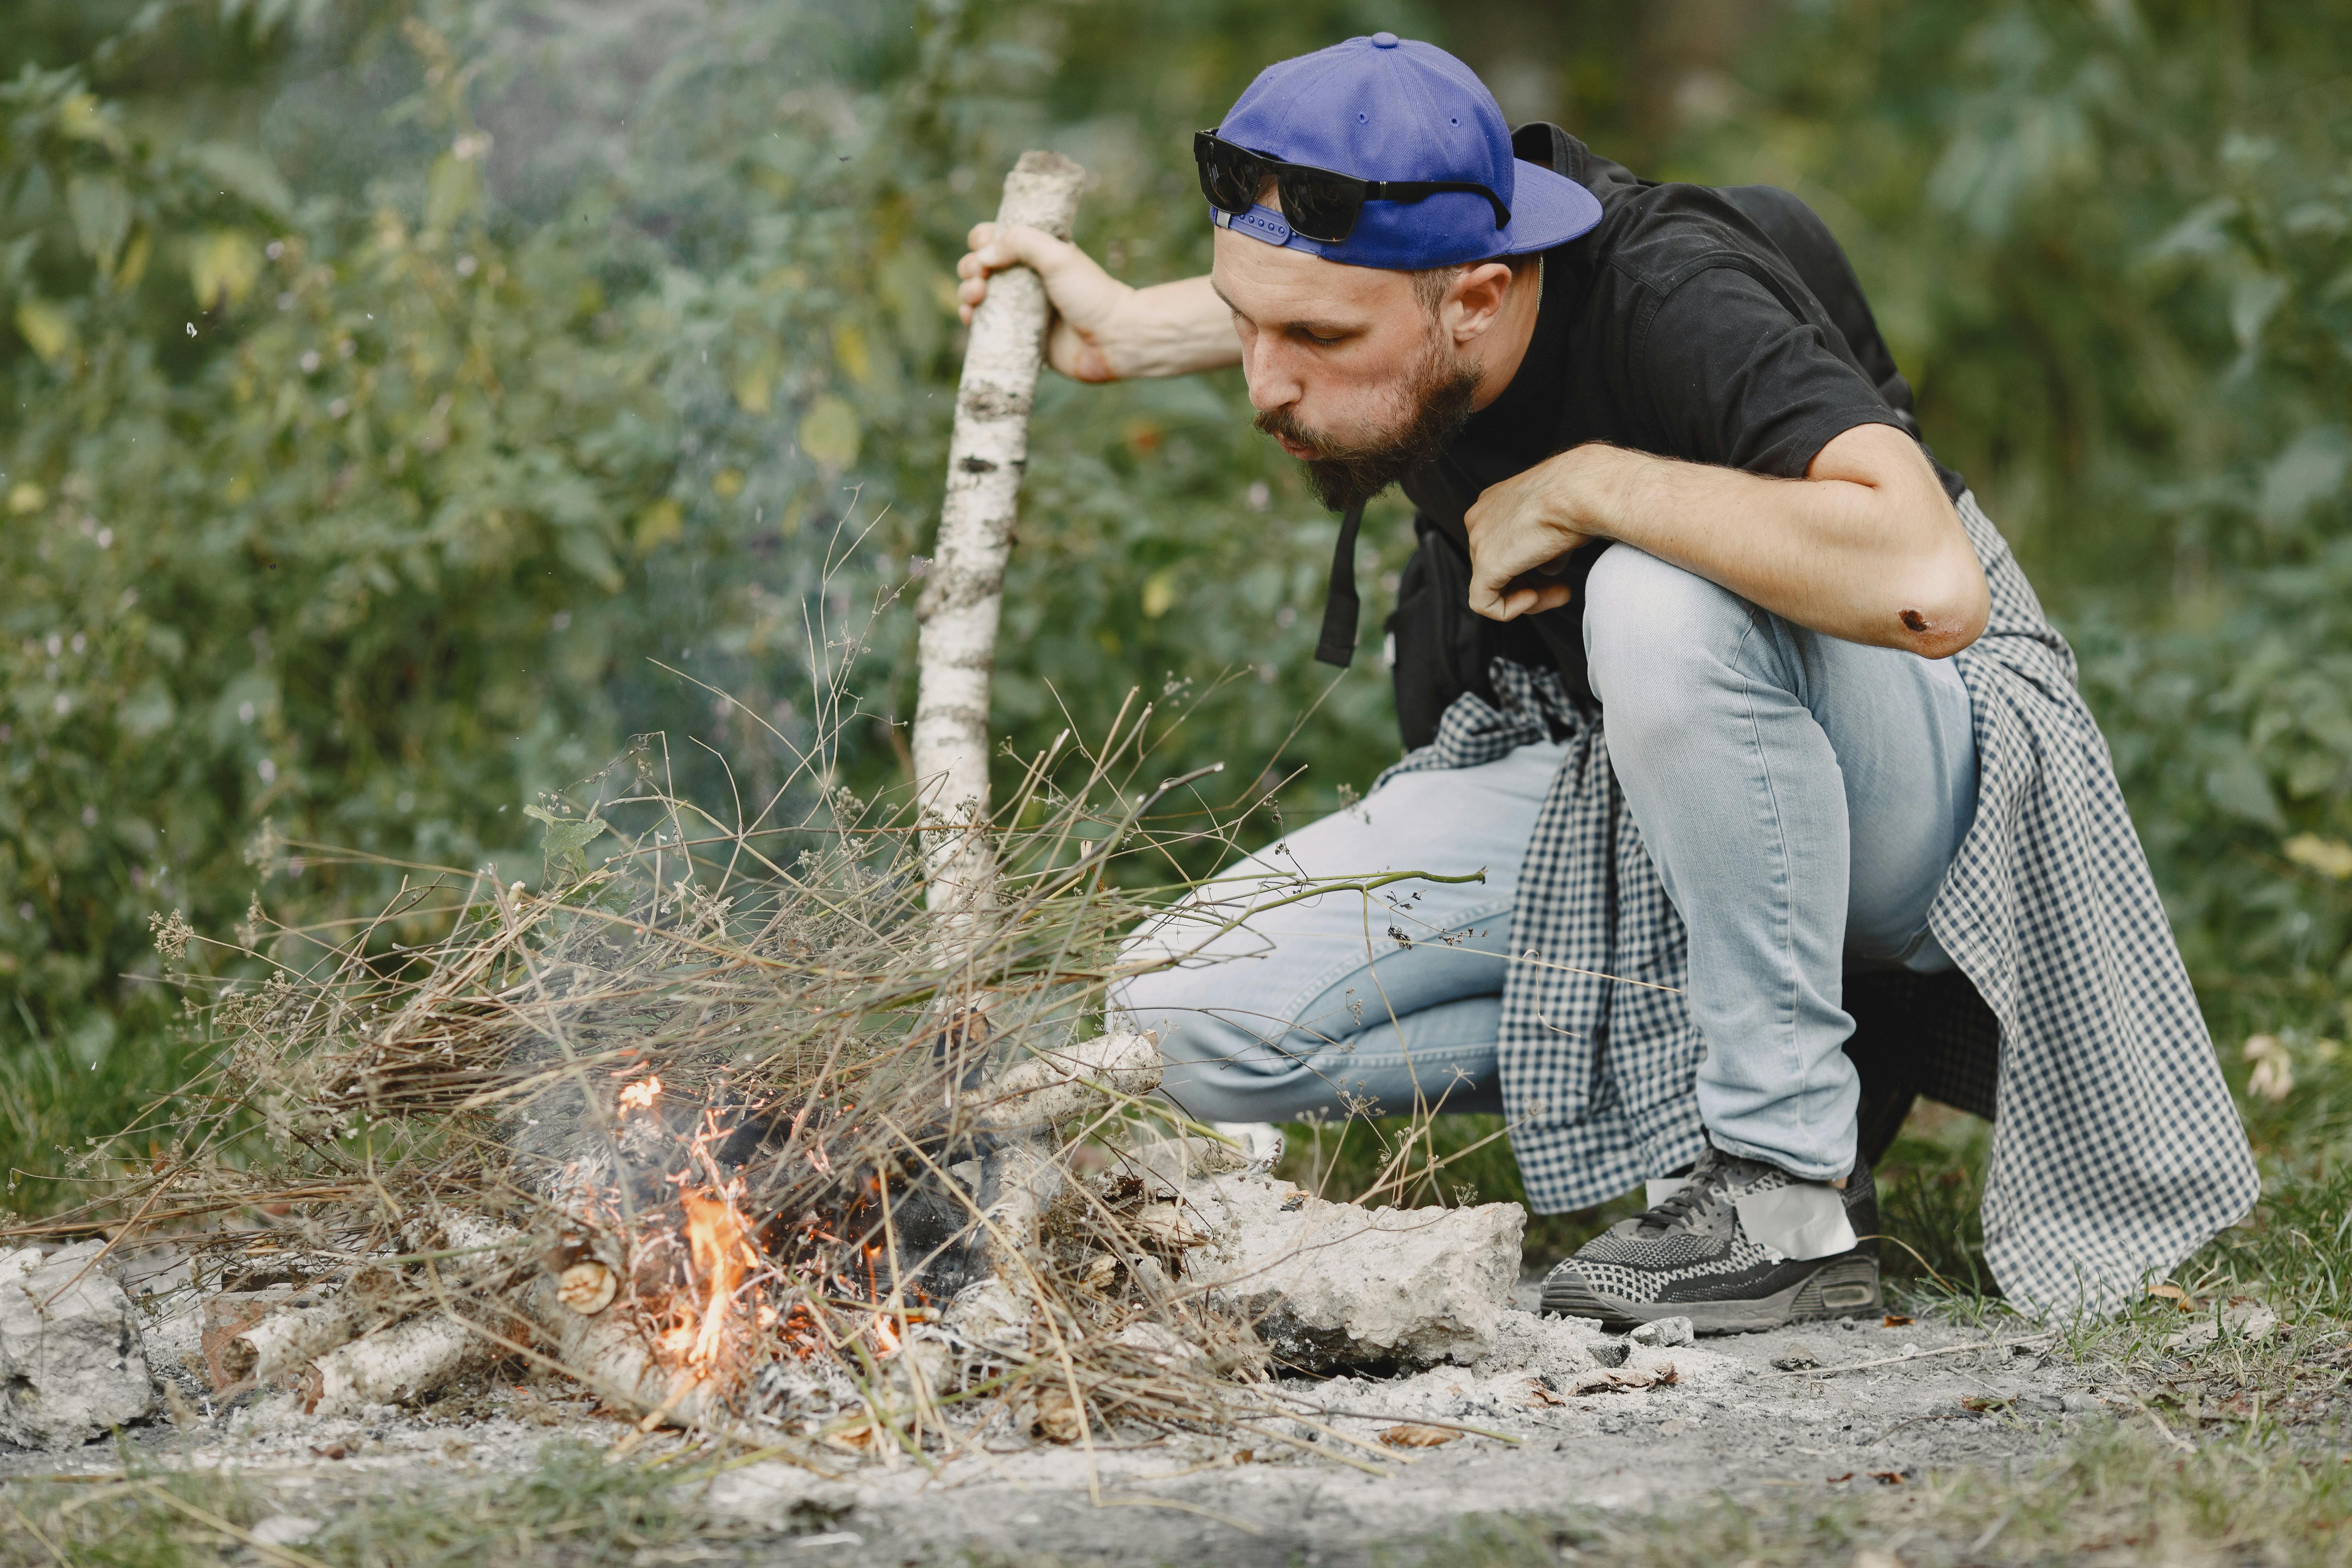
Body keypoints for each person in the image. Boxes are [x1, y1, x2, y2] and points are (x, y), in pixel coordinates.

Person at [954, 34, 2256, 1327]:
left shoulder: (1673, 292)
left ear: (1475, 295)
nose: (1266, 384)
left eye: (1307, 338)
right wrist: (1129, 327)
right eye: (1247, 324)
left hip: (1922, 758)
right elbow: (1330, 294)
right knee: (1183, 1009)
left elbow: (1931, 584)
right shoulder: (1390, 299)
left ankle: (1787, 1199)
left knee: (1654, 588)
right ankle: (1729, 1074)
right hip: (1623, 781)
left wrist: (1589, 487)